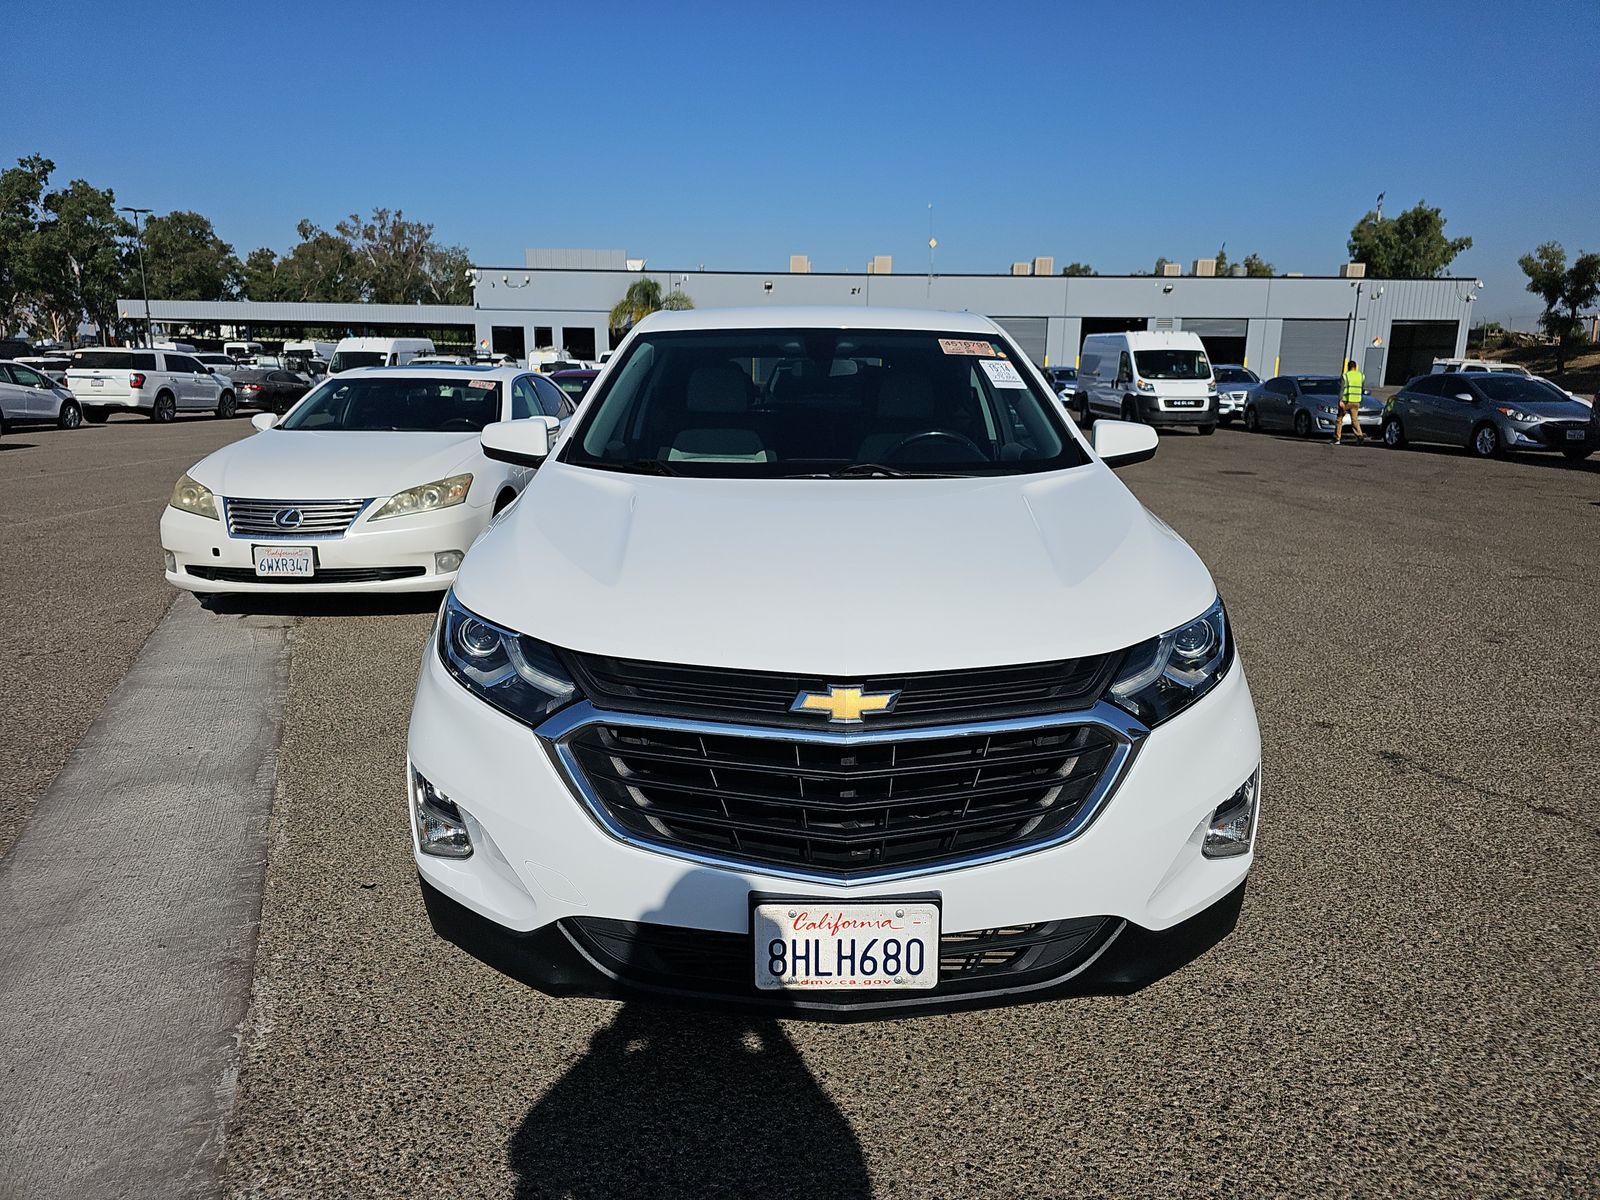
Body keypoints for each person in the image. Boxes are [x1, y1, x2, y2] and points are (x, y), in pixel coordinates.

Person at [1337, 358, 1365, 444]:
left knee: (1339, 419)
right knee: (1354, 420)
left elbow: (1342, 389)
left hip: (1346, 401)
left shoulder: (1345, 376)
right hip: (1356, 401)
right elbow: (1362, 388)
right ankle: (1359, 436)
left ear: (1348, 367)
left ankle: (1337, 438)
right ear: (1355, 367)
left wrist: (1340, 400)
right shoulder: (1361, 376)